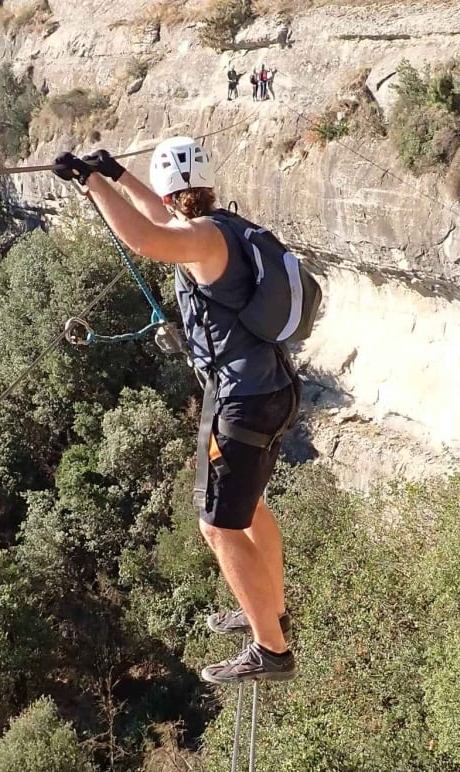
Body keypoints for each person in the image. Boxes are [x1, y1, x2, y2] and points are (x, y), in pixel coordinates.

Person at [51, 140, 300, 685]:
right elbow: (162, 216)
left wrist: (91, 184)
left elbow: (145, 238)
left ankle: (272, 650)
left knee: (218, 527)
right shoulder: (223, 227)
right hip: (267, 389)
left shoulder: (201, 239)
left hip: (241, 401)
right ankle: (269, 609)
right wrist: (115, 173)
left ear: (172, 192)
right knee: (248, 506)